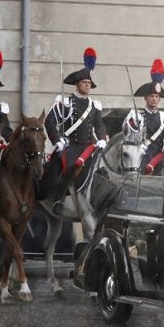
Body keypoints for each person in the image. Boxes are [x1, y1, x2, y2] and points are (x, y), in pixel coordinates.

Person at [44, 47, 107, 213]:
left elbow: (99, 125)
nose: (87, 86)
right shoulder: (65, 102)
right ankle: (58, 199)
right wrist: (57, 140)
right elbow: (50, 121)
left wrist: (102, 138)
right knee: (69, 166)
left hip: (90, 145)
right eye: (84, 83)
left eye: (89, 84)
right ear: (77, 84)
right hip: (71, 145)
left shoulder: (94, 105)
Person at [123, 59, 164, 175]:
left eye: (156, 96)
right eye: (151, 96)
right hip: (141, 156)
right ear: (145, 98)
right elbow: (129, 137)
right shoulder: (137, 116)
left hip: (159, 157)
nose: (154, 99)